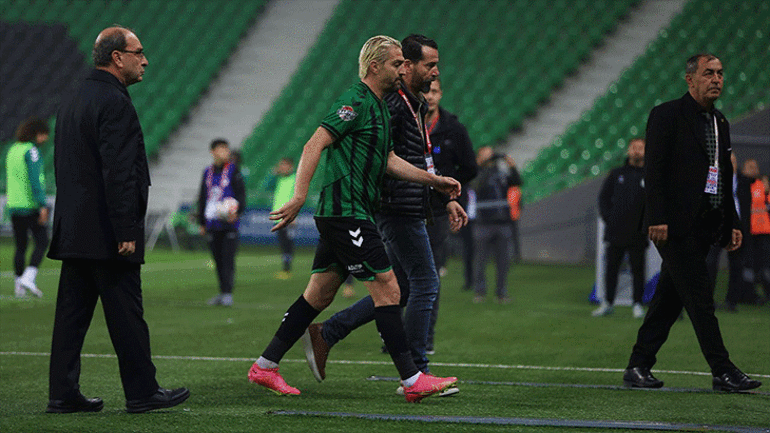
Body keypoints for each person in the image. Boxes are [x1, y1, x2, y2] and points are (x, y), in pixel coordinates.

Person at [247, 35, 459, 403]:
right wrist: (299, 195)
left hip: (351, 213)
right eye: (396, 64)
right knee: (390, 289)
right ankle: (413, 379)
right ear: (375, 66)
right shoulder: (355, 101)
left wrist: (435, 181)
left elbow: (389, 161)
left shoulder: (379, 107)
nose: (403, 70)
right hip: (345, 213)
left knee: (319, 295)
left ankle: (265, 366)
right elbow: (314, 144)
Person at [46, 26, 189, 414]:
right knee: (127, 313)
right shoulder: (114, 102)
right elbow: (119, 170)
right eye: (138, 52)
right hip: (108, 232)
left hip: (75, 228)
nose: (145, 61)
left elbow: (68, 167)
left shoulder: (73, 97)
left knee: (71, 317)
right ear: (117, 57)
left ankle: (62, 393)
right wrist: (126, 228)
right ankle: (142, 392)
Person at [623, 53, 761, 392]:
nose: (716, 79)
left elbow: (723, 176)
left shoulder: (720, 121)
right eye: (708, 73)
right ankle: (722, 369)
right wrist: (657, 217)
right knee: (700, 297)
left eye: (720, 73)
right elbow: (654, 170)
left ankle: (638, 365)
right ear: (690, 80)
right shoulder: (666, 115)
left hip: (705, 224)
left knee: (669, 300)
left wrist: (732, 222)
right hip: (673, 226)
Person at [423, 77, 478, 353]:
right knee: (398, 275)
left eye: (434, 91)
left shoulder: (453, 129)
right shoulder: (408, 122)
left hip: (438, 209)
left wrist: (448, 187)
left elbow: (470, 168)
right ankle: (394, 335)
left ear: (441, 94)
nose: (429, 96)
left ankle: (426, 337)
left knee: (429, 274)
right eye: (426, 91)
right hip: (406, 207)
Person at [593, 138, 648, 319]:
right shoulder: (616, 173)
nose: (637, 151)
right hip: (616, 231)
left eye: (640, 148)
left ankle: (637, 304)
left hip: (638, 233)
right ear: (628, 151)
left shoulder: (650, 175)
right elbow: (603, 198)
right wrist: (609, 219)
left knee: (638, 270)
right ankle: (608, 303)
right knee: (611, 269)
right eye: (634, 148)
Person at [197, 138, 246, 306]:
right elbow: (202, 197)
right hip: (212, 223)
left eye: (226, 148)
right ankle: (222, 292)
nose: (225, 152)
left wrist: (237, 212)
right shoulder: (207, 172)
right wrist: (202, 222)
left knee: (227, 259)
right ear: (213, 152)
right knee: (217, 259)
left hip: (229, 224)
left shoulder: (233, 170)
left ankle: (228, 294)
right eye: (221, 148)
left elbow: (241, 194)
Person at [6, 118, 50, 298]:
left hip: (14, 205)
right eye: (44, 134)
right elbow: (34, 179)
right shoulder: (31, 151)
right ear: (37, 134)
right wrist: (42, 204)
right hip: (30, 206)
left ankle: (19, 286)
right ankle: (29, 277)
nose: (46, 138)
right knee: (42, 241)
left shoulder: (13, 149)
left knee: (20, 246)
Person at [471, 147, 521, 304]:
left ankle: (501, 292)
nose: (491, 158)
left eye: (491, 154)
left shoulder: (501, 173)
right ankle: (480, 292)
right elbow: (477, 186)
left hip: (502, 222)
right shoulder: (476, 173)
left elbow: (517, 182)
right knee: (480, 260)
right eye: (486, 155)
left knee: (504, 261)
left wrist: (512, 166)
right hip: (483, 222)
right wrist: (485, 165)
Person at [708, 154, 756, 312]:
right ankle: (708, 299)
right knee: (711, 262)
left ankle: (732, 301)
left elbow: (756, 178)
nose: (730, 164)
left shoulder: (744, 182)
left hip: (738, 228)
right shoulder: (714, 180)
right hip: (717, 227)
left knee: (737, 264)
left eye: (733, 161)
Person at [744, 159, 770, 302]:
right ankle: (750, 293)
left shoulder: (763, 185)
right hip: (749, 232)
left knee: (764, 264)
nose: (753, 169)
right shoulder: (742, 186)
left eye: (755, 166)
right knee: (749, 265)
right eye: (750, 167)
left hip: (763, 232)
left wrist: (767, 192)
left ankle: (767, 292)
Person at [267, 157, 296, 279]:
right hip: (277, 217)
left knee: (288, 244)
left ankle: (287, 269)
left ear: (291, 167)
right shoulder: (278, 179)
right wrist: (273, 174)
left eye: (284, 165)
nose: (282, 167)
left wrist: (294, 216)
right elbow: (267, 186)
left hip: (289, 217)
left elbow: (299, 198)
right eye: (281, 165)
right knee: (283, 243)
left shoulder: (295, 179)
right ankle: (285, 268)